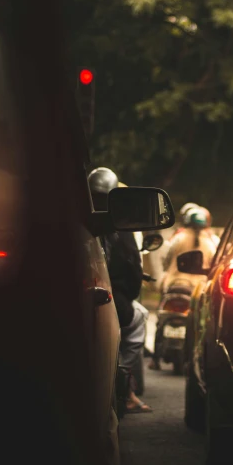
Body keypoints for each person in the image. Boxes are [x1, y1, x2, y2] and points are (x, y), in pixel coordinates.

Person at [88, 167, 152, 414]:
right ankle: (123, 379)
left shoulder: (74, 221)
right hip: (111, 300)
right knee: (140, 317)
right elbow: (134, 273)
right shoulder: (119, 226)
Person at [149, 204, 219, 371]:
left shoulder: (178, 238)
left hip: (174, 284)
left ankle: (155, 359)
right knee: (200, 323)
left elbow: (165, 258)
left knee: (161, 316)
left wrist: (168, 271)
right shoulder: (211, 243)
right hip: (197, 289)